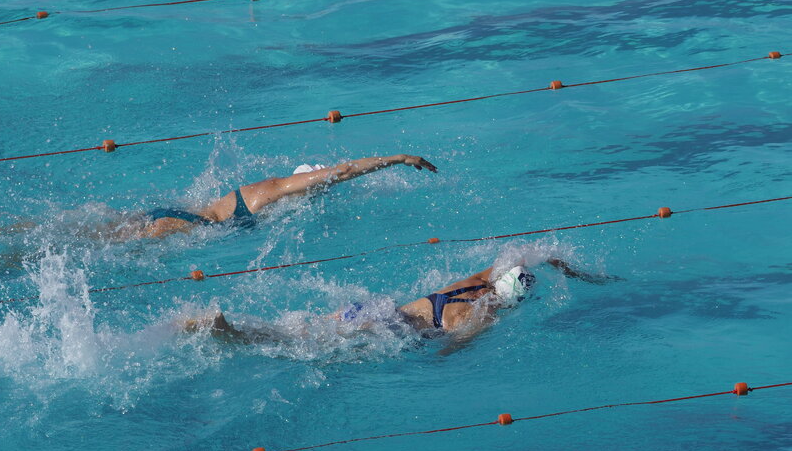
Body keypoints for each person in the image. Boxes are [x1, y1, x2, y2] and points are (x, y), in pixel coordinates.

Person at [186, 255, 613, 350]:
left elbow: (520, 254)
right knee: (295, 346)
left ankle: (231, 324)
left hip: (375, 309)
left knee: (302, 327)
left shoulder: (472, 283)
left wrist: (561, 262)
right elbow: (451, 351)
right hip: (386, 331)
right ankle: (229, 331)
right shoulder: (482, 315)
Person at [95, 153, 437, 240]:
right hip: (183, 225)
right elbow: (343, 171)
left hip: (179, 215)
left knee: (96, 236)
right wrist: (398, 159)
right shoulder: (276, 190)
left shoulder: (265, 192)